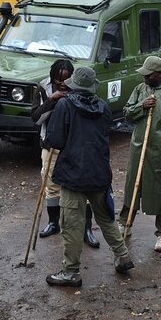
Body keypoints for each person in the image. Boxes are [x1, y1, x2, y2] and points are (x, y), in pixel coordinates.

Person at [45, 67, 134, 287]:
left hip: (73, 174)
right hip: (99, 172)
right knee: (105, 217)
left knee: (72, 224)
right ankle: (122, 256)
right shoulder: (103, 106)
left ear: (73, 84)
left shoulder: (65, 105)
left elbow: (55, 140)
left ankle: (71, 271)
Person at [118, 56, 161, 252]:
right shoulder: (140, 90)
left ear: (158, 74)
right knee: (132, 186)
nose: (144, 78)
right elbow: (127, 113)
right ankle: (125, 222)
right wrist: (142, 106)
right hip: (138, 148)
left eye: (148, 75)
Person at [31, 60, 100, 247]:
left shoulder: (81, 88)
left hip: (77, 146)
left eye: (66, 79)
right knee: (50, 184)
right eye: (58, 79)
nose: (62, 83)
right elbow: (36, 119)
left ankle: (86, 228)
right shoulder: (43, 88)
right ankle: (54, 222)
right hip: (51, 143)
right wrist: (52, 100)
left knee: (82, 186)